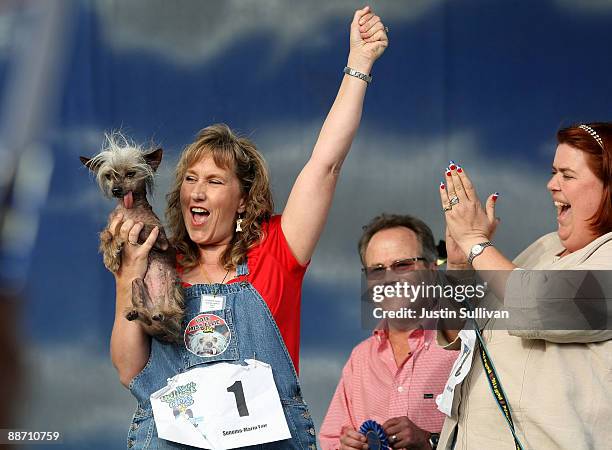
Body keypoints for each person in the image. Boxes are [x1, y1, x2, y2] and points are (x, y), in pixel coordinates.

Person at [108, 6, 388, 449]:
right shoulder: (160, 263)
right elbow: (129, 371)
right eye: (190, 180)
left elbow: (325, 165)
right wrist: (128, 276)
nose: (196, 193)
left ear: (243, 197)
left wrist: (360, 63)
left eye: (215, 181)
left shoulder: (277, 247)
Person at [436, 123, 612, 449]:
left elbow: (541, 306)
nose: (551, 184)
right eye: (552, 172)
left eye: (567, 175)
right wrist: (461, 264)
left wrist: (476, 242)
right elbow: (462, 332)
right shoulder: (544, 247)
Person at [319, 214, 458, 450]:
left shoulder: (464, 344)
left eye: (402, 265)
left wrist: (430, 441)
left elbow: (496, 434)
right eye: (377, 270)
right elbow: (330, 441)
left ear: (433, 270)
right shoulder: (360, 359)